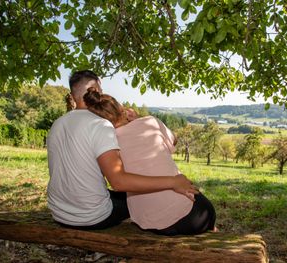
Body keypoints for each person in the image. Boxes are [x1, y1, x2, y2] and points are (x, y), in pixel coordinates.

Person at [47, 70, 198, 231]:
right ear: (97, 92)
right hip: (91, 217)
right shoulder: (100, 125)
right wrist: (173, 182)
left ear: (72, 94)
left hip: (59, 212)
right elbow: (119, 182)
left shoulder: (57, 123)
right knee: (142, 199)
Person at [82, 87, 216, 235]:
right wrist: (139, 119)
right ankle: (212, 229)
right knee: (200, 202)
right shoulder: (150, 122)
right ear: (121, 109)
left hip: (147, 221)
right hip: (192, 216)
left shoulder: (105, 141)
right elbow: (174, 141)